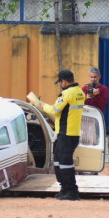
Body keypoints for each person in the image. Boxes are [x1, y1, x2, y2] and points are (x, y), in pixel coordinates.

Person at [31, 69, 85, 201]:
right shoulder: (80, 92)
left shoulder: (66, 93)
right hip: (72, 133)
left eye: (60, 82)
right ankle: (65, 189)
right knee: (59, 161)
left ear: (64, 81)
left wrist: (41, 105)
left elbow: (55, 110)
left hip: (65, 133)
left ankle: (71, 191)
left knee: (64, 163)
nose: (60, 84)